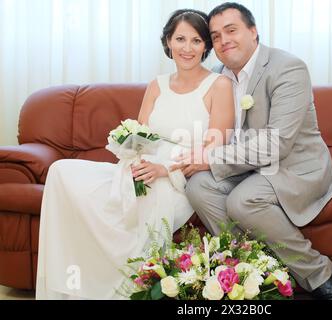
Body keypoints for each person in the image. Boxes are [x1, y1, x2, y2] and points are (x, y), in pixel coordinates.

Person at [35, 9, 234, 300]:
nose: (187, 48)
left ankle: (126, 291)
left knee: (148, 203)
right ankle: (76, 285)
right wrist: (132, 161)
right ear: (168, 42)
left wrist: (166, 170)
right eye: (180, 39)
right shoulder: (157, 85)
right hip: (142, 167)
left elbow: (215, 146)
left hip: (181, 178)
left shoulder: (219, 85)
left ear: (206, 46)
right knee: (61, 170)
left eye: (196, 40)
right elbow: (140, 137)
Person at [175, 3, 332, 300]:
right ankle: (255, 272)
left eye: (231, 30)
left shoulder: (288, 67)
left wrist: (210, 159)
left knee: (244, 201)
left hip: (294, 167)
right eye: (215, 36)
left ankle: (319, 271)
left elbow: (276, 143)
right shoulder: (217, 76)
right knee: (199, 186)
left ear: (253, 32)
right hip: (248, 169)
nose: (223, 40)